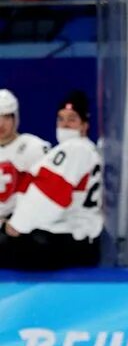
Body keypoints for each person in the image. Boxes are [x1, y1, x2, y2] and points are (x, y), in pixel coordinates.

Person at [0, 89, 101, 269]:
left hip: (70, 238)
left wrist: (16, 225)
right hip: (77, 236)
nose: (65, 124)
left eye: (72, 119)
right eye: (61, 119)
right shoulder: (86, 149)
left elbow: (50, 194)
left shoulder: (74, 148)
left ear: (85, 125)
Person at [0, 88, 50, 228]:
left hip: (23, 226)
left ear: (16, 118)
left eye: (7, 117)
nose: (1, 124)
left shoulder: (35, 148)